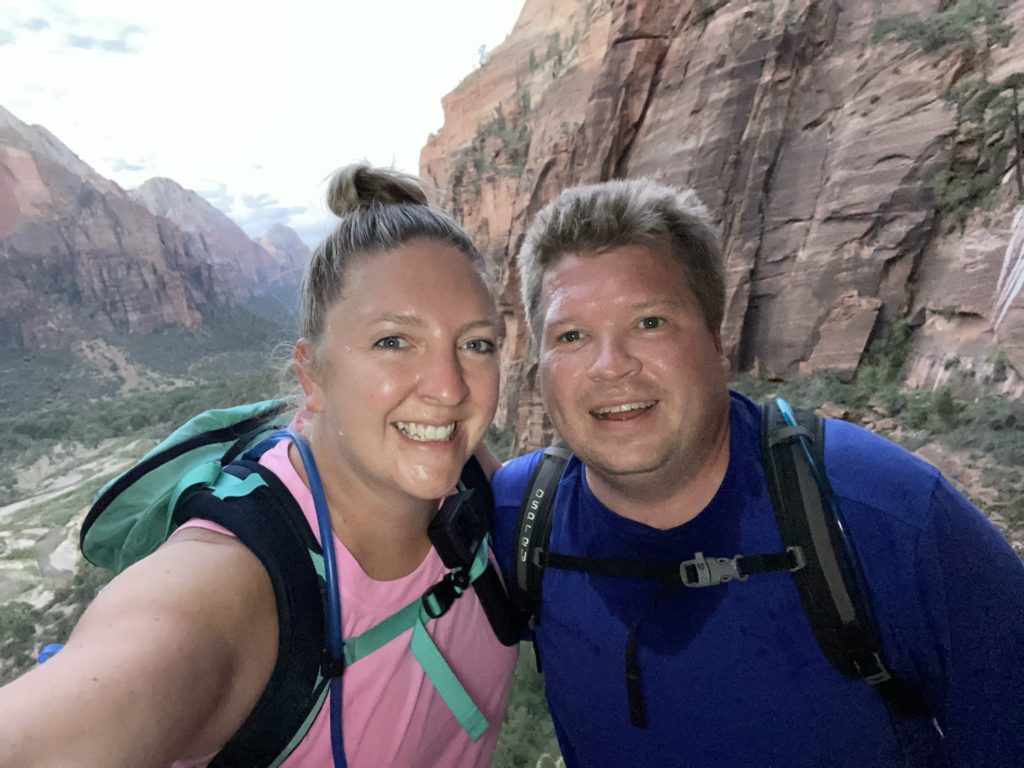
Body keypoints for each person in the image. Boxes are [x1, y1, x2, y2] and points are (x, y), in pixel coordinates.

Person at [491, 177, 1024, 767]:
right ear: (537, 367)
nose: (610, 366)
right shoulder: (518, 518)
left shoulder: (889, 519)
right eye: (572, 335)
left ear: (716, 338)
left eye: (649, 323)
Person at [0, 163, 518, 767]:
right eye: (393, 341)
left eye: (476, 343)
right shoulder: (235, 583)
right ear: (313, 374)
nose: (450, 387)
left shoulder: (471, 470)